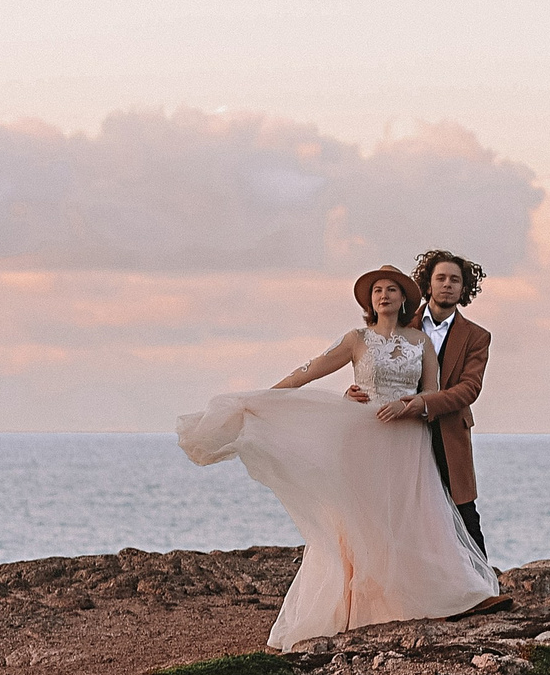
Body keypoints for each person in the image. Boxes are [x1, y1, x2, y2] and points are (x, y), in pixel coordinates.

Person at [175, 265, 498, 648]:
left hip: (409, 443)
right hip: (363, 438)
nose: (384, 295)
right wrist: (265, 398)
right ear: (369, 300)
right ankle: (360, 604)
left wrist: (409, 407)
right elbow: (307, 372)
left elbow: (430, 392)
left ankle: (407, 598)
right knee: (361, 519)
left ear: (405, 297)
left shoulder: (421, 343)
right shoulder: (355, 339)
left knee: (411, 519)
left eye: (392, 289)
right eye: (377, 290)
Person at [397, 249, 490, 557]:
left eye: (455, 279)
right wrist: (355, 394)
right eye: (441, 278)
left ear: (464, 289)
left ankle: (483, 587)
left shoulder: (477, 336)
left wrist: (426, 404)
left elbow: (469, 389)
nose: (447, 284)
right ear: (427, 284)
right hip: (403, 431)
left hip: (449, 432)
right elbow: (380, 368)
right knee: (405, 508)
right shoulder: (402, 327)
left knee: (463, 512)